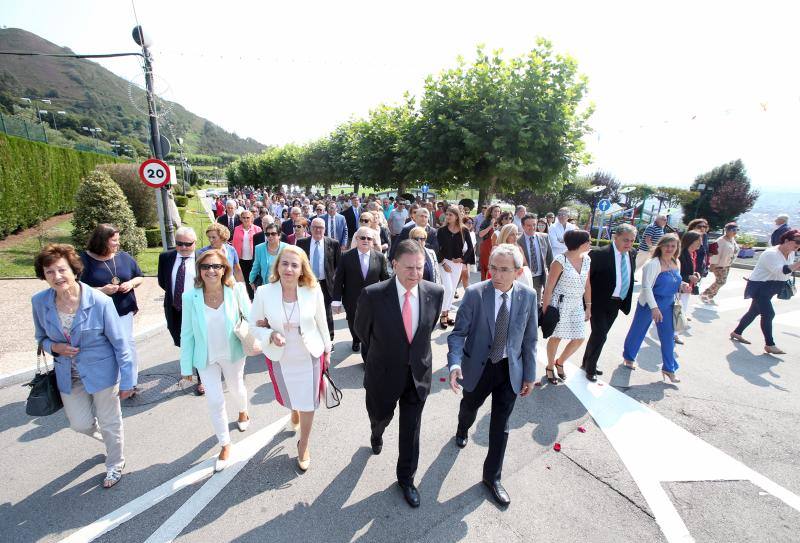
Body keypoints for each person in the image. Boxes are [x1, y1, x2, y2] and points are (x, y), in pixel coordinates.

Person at [32, 244, 135, 488]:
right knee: (80, 424)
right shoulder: (39, 302)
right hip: (68, 375)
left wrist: (129, 380)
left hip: (103, 372)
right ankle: (111, 440)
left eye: (61, 270)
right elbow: (41, 338)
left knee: (110, 421)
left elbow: (121, 343)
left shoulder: (98, 301)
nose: (57, 277)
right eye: (49, 272)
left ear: (74, 270)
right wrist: (54, 348)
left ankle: (115, 463)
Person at [354, 240, 444, 507]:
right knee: (379, 416)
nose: (415, 274)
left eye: (420, 268)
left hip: (417, 375)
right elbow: (362, 331)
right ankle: (376, 432)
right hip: (383, 373)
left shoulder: (434, 292)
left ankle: (406, 478)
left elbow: (428, 330)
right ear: (394, 265)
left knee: (411, 430)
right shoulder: (373, 294)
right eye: (409, 268)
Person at [447, 244, 538, 506]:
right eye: (493, 268)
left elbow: (530, 339)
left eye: (504, 270)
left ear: (518, 272)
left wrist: (529, 375)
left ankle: (492, 478)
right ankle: (462, 427)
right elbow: (457, 334)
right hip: (478, 367)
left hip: (510, 369)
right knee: (469, 407)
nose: (496, 275)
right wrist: (455, 364)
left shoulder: (528, 296)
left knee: (501, 424)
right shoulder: (475, 294)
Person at [250, 245, 332, 472]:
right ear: (277, 266)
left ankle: (303, 444)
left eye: (294, 265)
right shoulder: (264, 292)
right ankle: (293, 409)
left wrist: (327, 350)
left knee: (309, 402)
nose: (288, 268)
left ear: (301, 269)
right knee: (291, 397)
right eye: (284, 263)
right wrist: (270, 334)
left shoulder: (312, 290)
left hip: (309, 354)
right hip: (281, 356)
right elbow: (252, 325)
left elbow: (322, 322)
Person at [180, 249, 252, 473]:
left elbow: (250, 318)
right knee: (214, 400)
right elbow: (187, 333)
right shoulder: (190, 297)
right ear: (199, 270)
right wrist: (185, 366)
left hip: (232, 352)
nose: (211, 271)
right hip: (206, 357)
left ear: (224, 270)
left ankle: (243, 411)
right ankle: (225, 444)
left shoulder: (236, 290)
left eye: (216, 266)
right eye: (206, 266)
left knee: (236, 387)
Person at [79, 224, 143, 386]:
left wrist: (131, 284)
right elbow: (76, 289)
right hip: (96, 313)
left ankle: (130, 382)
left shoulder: (123, 257)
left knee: (126, 343)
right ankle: (110, 381)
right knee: (105, 348)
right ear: (102, 241)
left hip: (123, 310)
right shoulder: (83, 261)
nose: (118, 244)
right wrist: (101, 290)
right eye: (114, 241)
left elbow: (139, 276)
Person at [622, 234, 690, 382]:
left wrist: (683, 285)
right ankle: (629, 357)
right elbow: (647, 287)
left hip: (668, 303)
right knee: (638, 331)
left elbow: (674, 280)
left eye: (673, 246)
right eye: (667, 245)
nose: (670, 249)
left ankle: (669, 368)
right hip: (649, 303)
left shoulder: (676, 261)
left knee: (668, 337)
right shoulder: (653, 264)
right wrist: (654, 308)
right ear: (660, 246)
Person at [580, 224, 637, 381]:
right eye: (626, 240)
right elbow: (587, 280)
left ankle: (587, 361)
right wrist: (586, 304)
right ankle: (590, 368)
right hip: (598, 302)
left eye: (632, 240)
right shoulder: (599, 254)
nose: (629, 244)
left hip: (617, 303)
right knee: (600, 334)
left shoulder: (631, 253)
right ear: (615, 237)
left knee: (600, 334)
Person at [731, 229, 800, 354]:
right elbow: (780, 270)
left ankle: (737, 332)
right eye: (797, 241)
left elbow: (787, 272)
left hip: (773, 286)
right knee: (768, 314)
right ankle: (770, 344)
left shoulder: (791, 253)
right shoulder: (771, 253)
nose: (798, 245)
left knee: (753, 312)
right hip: (761, 286)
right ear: (786, 240)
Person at [157, 226, 204, 395]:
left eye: (188, 244)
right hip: (175, 308)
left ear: (195, 243)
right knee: (181, 340)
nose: (183, 248)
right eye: (179, 244)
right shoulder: (166, 257)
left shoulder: (203, 258)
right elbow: (163, 282)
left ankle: (202, 378)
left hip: (197, 308)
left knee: (199, 342)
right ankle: (189, 364)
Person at [541, 230, 592, 384]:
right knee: (556, 337)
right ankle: (550, 367)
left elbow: (587, 284)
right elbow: (549, 287)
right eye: (588, 241)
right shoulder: (559, 260)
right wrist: (546, 310)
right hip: (560, 303)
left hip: (577, 304)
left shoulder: (587, 259)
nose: (590, 243)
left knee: (579, 337)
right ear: (581, 244)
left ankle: (560, 361)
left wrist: (588, 306)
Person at [332, 226, 390, 353]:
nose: (366, 240)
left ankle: (367, 345)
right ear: (357, 239)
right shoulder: (346, 256)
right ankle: (356, 339)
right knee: (354, 322)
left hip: (373, 300)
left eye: (369, 238)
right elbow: (339, 280)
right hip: (351, 299)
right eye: (362, 237)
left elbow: (385, 279)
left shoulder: (379, 257)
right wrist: (336, 301)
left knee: (371, 325)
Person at [297, 218, 341, 341]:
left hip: (325, 284)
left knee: (326, 313)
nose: (318, 230)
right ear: (310, 229)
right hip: (307, 283)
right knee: (307, 311)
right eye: (315, 227)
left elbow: (338, 266)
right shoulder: (301, 243)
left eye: (321, 227)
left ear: (324, 229)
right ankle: (309, 338)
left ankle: (329, 339)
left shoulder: (333, 243)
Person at [437, 205, 475, 329]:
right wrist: (443, 263)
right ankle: (443, 314)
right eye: (447, 214)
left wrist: (463, 259)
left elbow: (470, 248)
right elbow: (437, 248)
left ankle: (446, 314)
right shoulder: (442, 231)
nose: (447, 217)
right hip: (444, 262)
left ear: (457, 216)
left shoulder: (464, 230)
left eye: (450, 215)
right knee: (447, 288)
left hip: (457, 264)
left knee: (452, 289)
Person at [518, 214, 553, 302]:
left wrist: (551, 278)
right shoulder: (518, 241)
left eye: (534, 224)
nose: (532, 227)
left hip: (539, 277)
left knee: (536, 304)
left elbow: (550, 259)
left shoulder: (544, 237)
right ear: (523, 226)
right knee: (524, 303)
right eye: (529, 225)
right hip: (524, 278)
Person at [702, 223, 740, 303]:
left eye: (736, 230)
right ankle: (706, 295)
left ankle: (709, 296)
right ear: (727, 231)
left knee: (721, 282)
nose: (735, 232)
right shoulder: (720, 241)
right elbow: (715, 253)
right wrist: (713, 264)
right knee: (720, 281)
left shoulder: (732, 240)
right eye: (733, 230)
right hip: (719, 265)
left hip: (727, 264)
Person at [676, 231, 702, 344]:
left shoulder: (693, 254)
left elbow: (690, 269)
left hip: (688, 288)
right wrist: (689, 277)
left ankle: (673, 333)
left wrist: (696, 274)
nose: (701, 243)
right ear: (691, 241)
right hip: (681, 287)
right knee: (678, 312)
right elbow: (676, 272)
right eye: (698, 241)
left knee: (681, 311)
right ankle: (674, 335)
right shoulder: (681, 254)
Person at [232, 210, 262, 300]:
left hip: (254, 259)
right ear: (241, 218)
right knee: (243, 279)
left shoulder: (257, 229)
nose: (246, 219)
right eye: (244, 218)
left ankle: (255, 297)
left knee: (253, 279)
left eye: (248, 217)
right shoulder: (237, 229)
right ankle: (245, 298)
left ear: (252, 218)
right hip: (241, 259)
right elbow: (234, 244)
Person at [250, 223, 287, 289]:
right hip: (265, 285)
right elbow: (256, 266)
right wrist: (251, 281)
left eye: (273, 234)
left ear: (279, 235)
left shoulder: (287, 248)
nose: (270, 236)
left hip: (283, 285)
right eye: (267, 234)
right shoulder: (259, 248)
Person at [495, 224, 533, 288]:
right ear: (505, 235)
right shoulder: (497, 249)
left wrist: (521, 272)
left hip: (519, 282)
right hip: (502, 282)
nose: (515, 237)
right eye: (512, 234)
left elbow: (525, 265)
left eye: (517, 234)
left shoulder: (519, 248)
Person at [478, 205, 501, 280]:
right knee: (486, 267)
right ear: (491, 212)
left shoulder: (502, 222)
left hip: (498, 247)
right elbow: (481, 234)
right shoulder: (486, 221)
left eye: (498, 211)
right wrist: (490, 226)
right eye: (495, 211)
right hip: (487, 247)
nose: (497, 213)